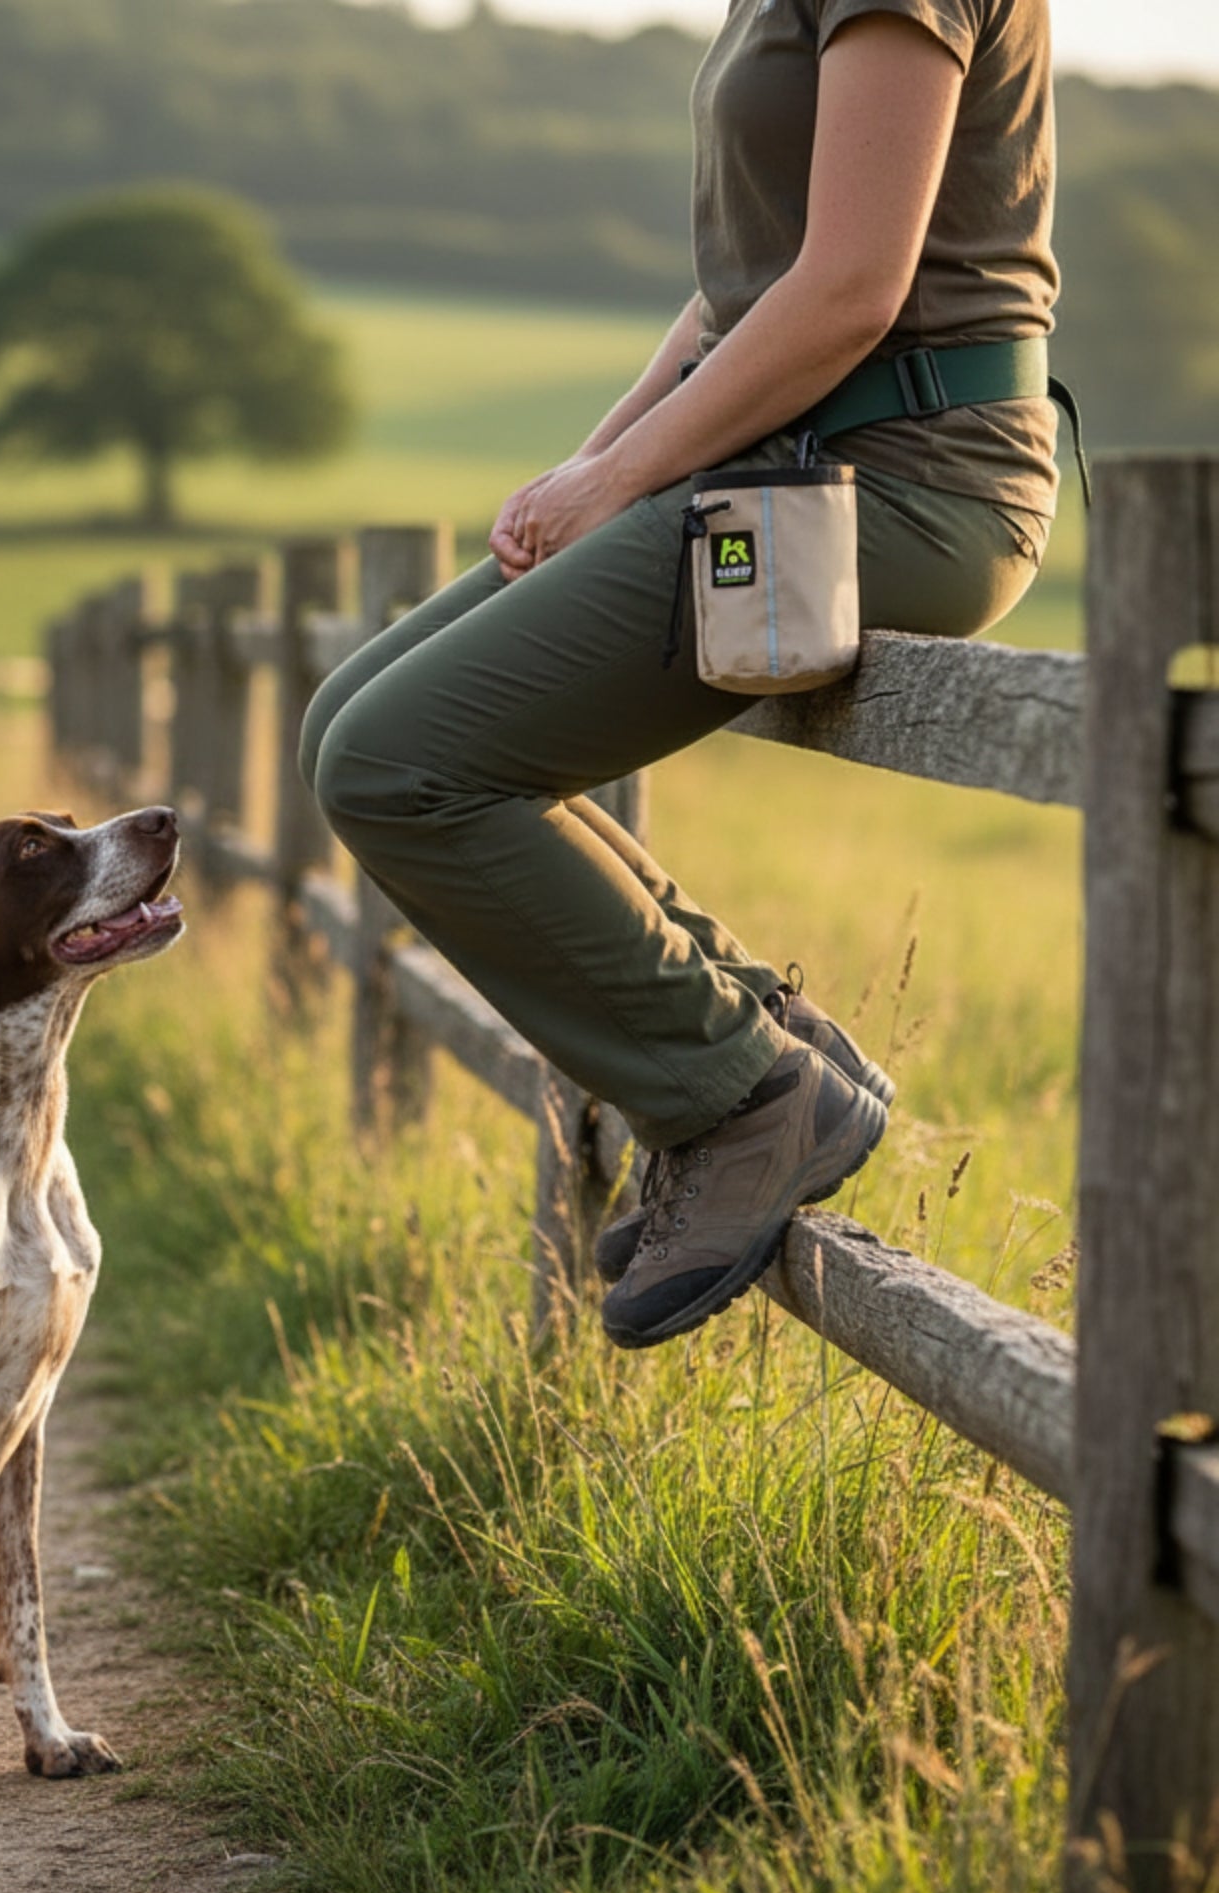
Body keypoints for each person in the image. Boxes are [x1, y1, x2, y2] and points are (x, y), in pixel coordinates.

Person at [299, 0, 1067, 1351]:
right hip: (785, 466)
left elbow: (849, 288)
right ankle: (761, 1036)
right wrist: (585, 472)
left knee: (399, 763)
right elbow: (736, 290)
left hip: (906, 480)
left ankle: (740, 1097)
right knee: (345, 727)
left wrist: (626, 477)